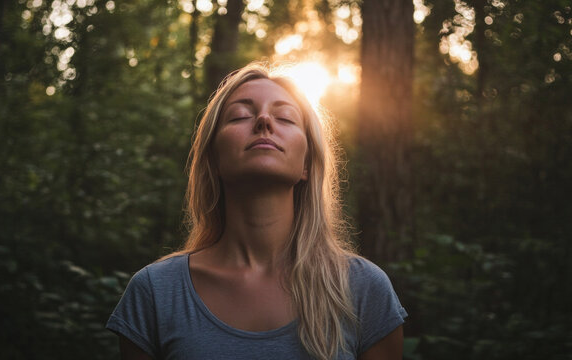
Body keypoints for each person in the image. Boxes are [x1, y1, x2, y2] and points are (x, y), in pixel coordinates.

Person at [106, 62, 407, 360]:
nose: (264, 120)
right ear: (214, 160)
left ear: (305, 165)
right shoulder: (156, 293)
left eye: (285, 118)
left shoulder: (364, 290)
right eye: (240, 115)